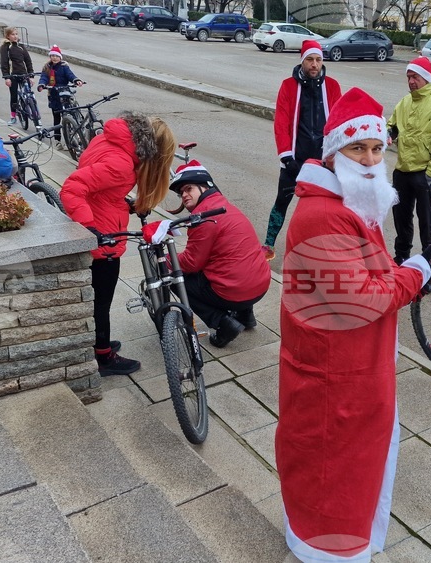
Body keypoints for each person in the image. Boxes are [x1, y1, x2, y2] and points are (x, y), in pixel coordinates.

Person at [275, 87, 431, 562]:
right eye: (357, 148)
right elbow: (363, 298)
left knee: (352, 471)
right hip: (336, 378)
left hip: (350, 369)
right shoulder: (324, 215)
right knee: (335, 474)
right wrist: (415, 272)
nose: (371, 159)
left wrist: (401, 271)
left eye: (377, 148)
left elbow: (365, 275)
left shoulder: (350, 202)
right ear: (333, 154)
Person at [60, 111, 176, 376]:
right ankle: (104, 357)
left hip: (101, 224)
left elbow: (99, 186)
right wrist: (90, 228)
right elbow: (73, 188)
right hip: (102, 241)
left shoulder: (111, 141)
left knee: (98, 300)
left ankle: (98, 341)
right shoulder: (122, 164)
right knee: (102, 301)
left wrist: (123, 203)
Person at [157, 161, 272, 348]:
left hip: (235, 292)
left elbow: (191, 263)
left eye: (188, 189)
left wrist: (167, 260)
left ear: (205, 186)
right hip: (261, 285)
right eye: (181, 193)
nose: (184, 195)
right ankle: (246, 316)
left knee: (177, 280)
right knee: (239, 266)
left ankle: (223, 323)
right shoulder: (225, 206)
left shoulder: (203, 216)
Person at [261, 39, 342, 261]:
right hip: (294, 159)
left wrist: (336, 154)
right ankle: (268, 244)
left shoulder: (332, 86)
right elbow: (282, 122)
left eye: (318, 59)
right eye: (310, 60)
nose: (314, 64)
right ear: (302, 61)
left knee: (321, 208)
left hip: (322, 160)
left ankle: (319, 250)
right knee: (282, 200)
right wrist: (286, 155)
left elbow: (338, 121)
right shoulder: (288, 85)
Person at [386, 56, 431, 290]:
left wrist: (430, 173)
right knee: (401, 218)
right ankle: (402, 259)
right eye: (408, 77)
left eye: (414, 77)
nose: (411, 81)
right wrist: (388, 134)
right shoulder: (404, 102)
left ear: (426, 77)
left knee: (427, 223)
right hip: (402, 170)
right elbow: (392, 125)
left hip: (424, 173)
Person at [37, 45, 83, 150]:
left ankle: (70, 139)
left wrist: (76, 80)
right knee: (57, 119)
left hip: (65, 94)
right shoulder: (47, 68)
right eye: (52, 56)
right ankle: (58, 140)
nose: (54, 58)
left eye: (56, 56)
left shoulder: (64, 67)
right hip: (54, 96)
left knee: (69, 117)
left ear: (60, 57)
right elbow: (43, 78)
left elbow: (70, 75)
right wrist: (42, 85)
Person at [0, 27, 34, 126]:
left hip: (23, 74)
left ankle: (33, 112)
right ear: (8, 36)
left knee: (28, 93)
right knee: (14, 95)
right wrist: (6, 77)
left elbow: (28, 61)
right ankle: (13, 116)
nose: (15, 36)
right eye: (13, 34)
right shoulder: (5, 47)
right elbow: (4, 63)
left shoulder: (21, 46)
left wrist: (31, 75)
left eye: (16, 34)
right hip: (12, 75)